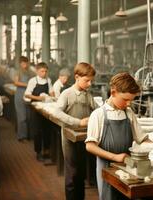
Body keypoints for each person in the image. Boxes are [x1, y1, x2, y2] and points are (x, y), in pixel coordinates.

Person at [85, 72, 148, 200]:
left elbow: (142, 139)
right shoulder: (98, 115)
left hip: (127, 167)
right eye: (125, 99)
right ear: (113, 93)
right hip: (107, 168)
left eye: (131, 100)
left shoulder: (128, 113)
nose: (129, 104)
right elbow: (90, 146)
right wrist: (115, 157)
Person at [56, 62, 97, 200]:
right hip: (69, 137)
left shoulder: (87, 95)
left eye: (91, 81)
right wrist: (78, 122)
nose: (89, 84)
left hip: (83, 137)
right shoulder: (66, 94)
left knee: (81, 172)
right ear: (77, 77)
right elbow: (58, 113)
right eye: (87, 80)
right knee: (72, 173)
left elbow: (98, 110)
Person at [24, 62, 54, 161]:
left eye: (46, 71)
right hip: (36, 108)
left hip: (45, 108)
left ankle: (46, 151)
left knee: (46, 130)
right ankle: (38, 152)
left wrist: (52, 96)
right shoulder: (33, 81)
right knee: (37, 131)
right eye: (42, 71)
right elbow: (27, 94)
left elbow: (51, 92)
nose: (44, 73)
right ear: (37, 71)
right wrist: (39, 98)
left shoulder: (48, 80)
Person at [14, 56, 35, 141]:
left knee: (28, 116)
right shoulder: (18, 72)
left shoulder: (30, 72)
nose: (25, 65)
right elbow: (16, 82)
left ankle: (28, 135)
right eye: (23, 63)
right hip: (20, 94)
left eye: (26, 63)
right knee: (22, 117)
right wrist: (27, 85)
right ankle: (22, 136)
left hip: (28, 95)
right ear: (20, 64)